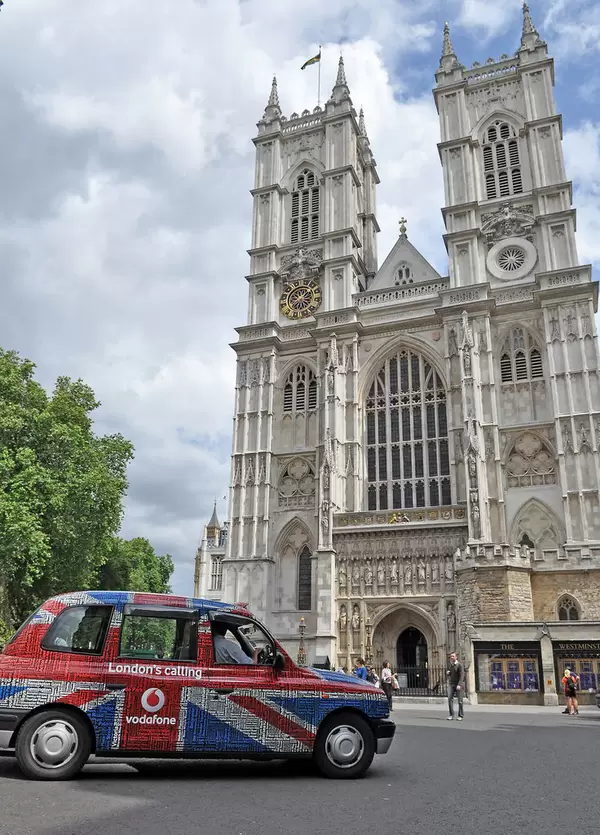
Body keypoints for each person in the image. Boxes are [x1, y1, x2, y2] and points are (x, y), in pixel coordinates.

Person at [447, 651, 465, 720]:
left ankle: (460, 715)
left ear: (456, 657)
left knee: (460, 701)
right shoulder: (450, 665)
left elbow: (462, 675)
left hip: (458, 685)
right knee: (449, 699)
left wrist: (459, 684)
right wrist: (448, 673)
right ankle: (451, 715)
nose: (451, 657)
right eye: (451, 656)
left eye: (453, 656)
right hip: (451, 684)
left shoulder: (460, 665)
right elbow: (450, 673)